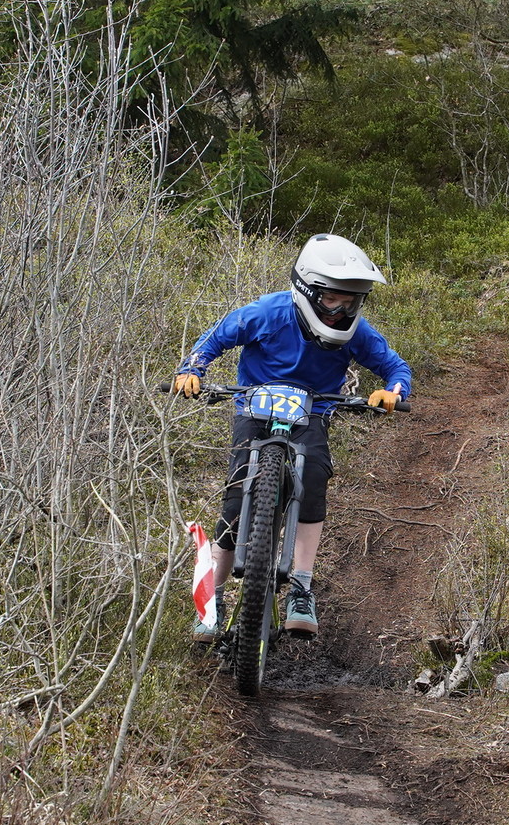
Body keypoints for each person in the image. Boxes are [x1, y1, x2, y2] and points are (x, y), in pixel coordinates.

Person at [171, 233, 413, 641]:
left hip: (312, 413)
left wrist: (394, 391)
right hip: (254, 407)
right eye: (332, 300)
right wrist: (192, 369)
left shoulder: (358, 332)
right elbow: (214, 339)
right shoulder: (267, 312)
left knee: (313, 481)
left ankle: (301, 588)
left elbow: (394, 366)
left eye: (351, 302)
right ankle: (212, 600)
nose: (341, 311)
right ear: (308, 290)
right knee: (235, 503)